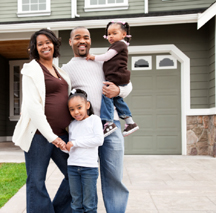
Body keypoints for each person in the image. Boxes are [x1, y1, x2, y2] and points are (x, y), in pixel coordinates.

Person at [62, 26, 130, 213]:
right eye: (77, 38)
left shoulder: (103, 62)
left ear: (91, 41)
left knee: (113, 177)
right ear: (71, 42)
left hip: (110, 125)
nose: (82, 41)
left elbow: (127, 83)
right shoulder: (66, 70)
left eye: (86, 37)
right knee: (82, 175)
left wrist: (119, 91)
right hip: (84, 129)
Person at [12, 28, 72, 213]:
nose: (45, 46)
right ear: (35, 48)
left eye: (48, 42)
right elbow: (32, 105)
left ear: (54, 44)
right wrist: (51, 136)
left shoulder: (61, 71)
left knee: (75, 174)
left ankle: (59, 210)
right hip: (39, 136)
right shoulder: (31, 69)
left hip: (62, 134)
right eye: (40, 44)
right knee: (36, 181)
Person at [86, 21, 139, 137]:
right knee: (117, 100)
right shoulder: (118, 45)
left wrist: (93, 57)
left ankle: (109, 123)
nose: (110, 36)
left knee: (107, 95)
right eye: (109, 34)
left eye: (114, 33)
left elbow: (106, 57)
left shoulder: (120, 44)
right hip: (117, 76)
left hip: (117, 76)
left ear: (123, 34)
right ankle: (130, 122)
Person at [64, 88, 103, 213]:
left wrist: (74, 143)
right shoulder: (72, 125)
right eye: (72, 109)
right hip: (73, 167)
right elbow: (72, 148)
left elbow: (98, 140)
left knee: (89, 204)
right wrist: (65, 147)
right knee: (76, 203)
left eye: (79, 107)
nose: (76, 112)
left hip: (89, 168)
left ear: (87, 105)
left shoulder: (94, 120)